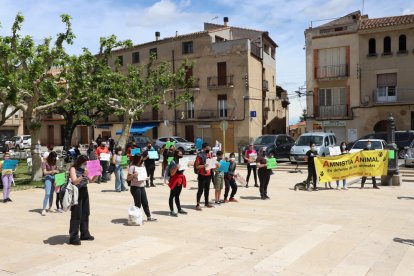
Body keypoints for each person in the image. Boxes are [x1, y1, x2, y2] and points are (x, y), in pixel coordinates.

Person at [69, 155, 98, 245]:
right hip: (76, 192)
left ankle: (85, 233)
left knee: (85, 213)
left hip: (84, 191)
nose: (85, 165)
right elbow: (74, 181)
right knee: (76, 214)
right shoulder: (73, 169)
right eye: (84, 163)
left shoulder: (86, 169)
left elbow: (91, 180)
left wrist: (97, 173)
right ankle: (73, 236)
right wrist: (83, 175)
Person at [128, 155, 157, 222]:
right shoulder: (132, 167)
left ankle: (149, 217)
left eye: (142, 160)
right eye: (140, 160)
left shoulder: (142, 167)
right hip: (135, 187)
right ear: (137, 160)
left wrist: (146, 178)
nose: (141, 161)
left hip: (141, 187)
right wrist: (133, 175)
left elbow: (143, 175)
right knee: (138, 204)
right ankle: (136, 218)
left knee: (145, 202)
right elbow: (128, 178)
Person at [167, 150, 188, 216]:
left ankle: (179, 209)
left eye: (182, 154)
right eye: (180, 154)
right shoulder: (173, 162)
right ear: (176, 154)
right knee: (172, 195)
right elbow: (172, 173)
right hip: (174, 180)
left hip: (180, 179)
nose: (181, 155)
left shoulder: (181, 161)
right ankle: (172, 210)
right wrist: (176, 167)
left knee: (177, 195)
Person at [194, 143, 214, 210]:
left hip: (208, 175)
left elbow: (211, 164)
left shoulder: (209, 154)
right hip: (202, 175)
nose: (210, 148)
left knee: (207, 189)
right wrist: (204, 166)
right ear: (205, 148)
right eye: (209, 147)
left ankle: (206, 203)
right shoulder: (199, 155)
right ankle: (197, 204)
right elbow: (197, 166)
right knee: (200, 190)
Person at [41, 151, 59, 216]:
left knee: (51, 193)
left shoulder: (55, 162)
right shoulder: (44, 162)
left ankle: (50, 207)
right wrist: (52, 171)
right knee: (47, 193)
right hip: (48, 178)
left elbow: (57, 171)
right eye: (53, 158)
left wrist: (57, 175)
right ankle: (43, 209)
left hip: (54, 178)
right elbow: (45, 172)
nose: (54, 159)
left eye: (55, 158)